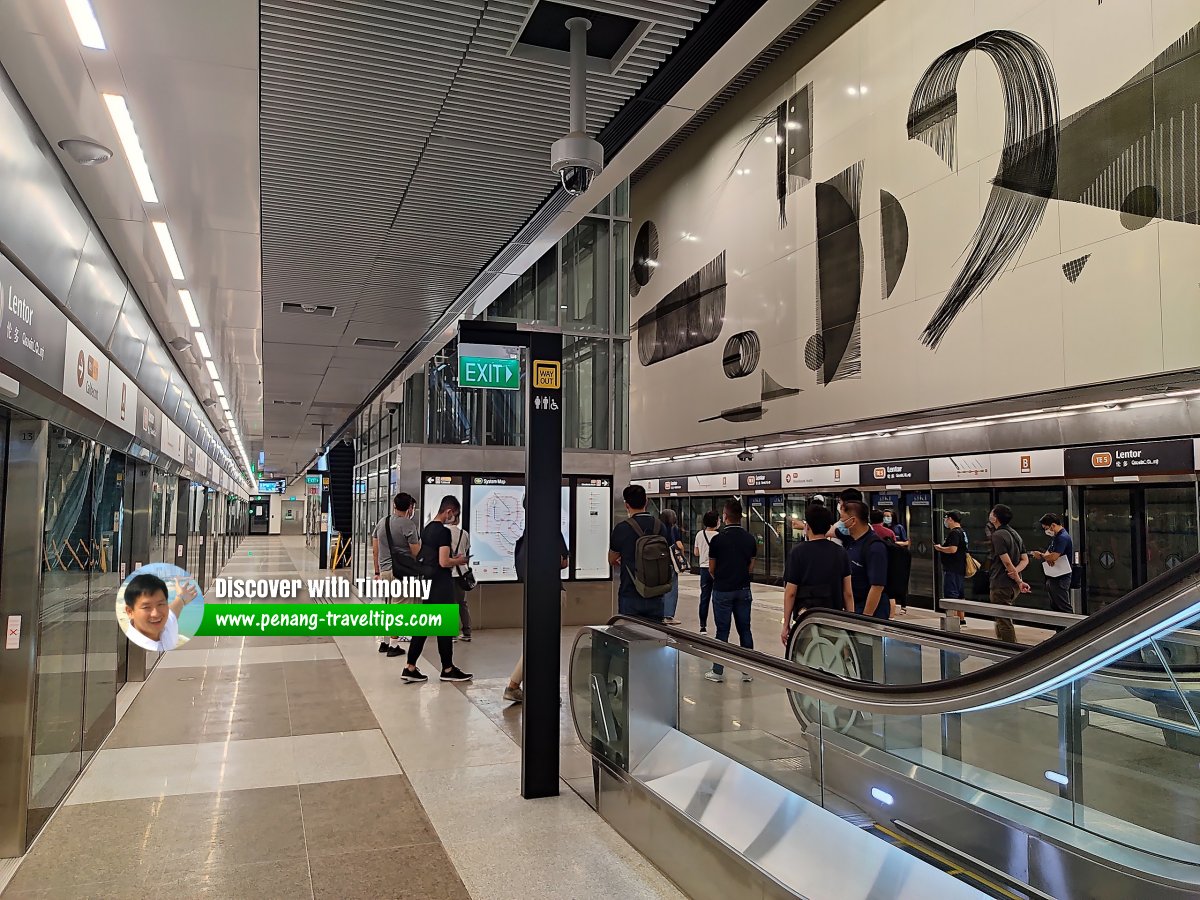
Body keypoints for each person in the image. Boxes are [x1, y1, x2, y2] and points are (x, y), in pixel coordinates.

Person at [504, 502, 570, 704]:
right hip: (551, 592)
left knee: (538, 640)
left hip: (534, 593)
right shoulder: (551, 532)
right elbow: (564, 562)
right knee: (545, 643)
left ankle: (515, 685)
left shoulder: (526, 535)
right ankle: (529, 687)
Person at [404, 495, 473, 684]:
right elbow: (444, 561)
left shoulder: (427, 530)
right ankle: (447, 669)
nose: (454, 518)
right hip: (441, 583)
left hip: (429, 581)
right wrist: (459, 560)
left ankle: (411, 666)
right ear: (449, 512)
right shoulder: (442, 532)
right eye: (455, 514)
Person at [781, 503, 852, 646]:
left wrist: (786, 624)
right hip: (834, 619)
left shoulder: (797, 553)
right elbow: (848, 593)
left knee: (806, 658)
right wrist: (851, 623)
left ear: (808, 527)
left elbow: (790, 593)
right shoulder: (840, 552)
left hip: (806, 620)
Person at [704, 499, 757, 684]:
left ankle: (718, 671)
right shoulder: (750, 538)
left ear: (725, 516)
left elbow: (711, 568)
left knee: (722, 631)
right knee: (745, 629)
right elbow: (751, 566)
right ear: (740, 516)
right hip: (743, 589)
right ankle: (747, 671)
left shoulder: (717, 540)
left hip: (722, 590)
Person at [608, 484, 669, 619]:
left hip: (630, 592)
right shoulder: (661, 527)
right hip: (656, 592)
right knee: (655, 637)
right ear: (646, 501)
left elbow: (612, 559)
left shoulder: (622, 528)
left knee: (630, 635)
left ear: (626, 505)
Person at [373, 492, 422, 656]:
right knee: (399, 609)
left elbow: (375, 550)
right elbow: (416, 552)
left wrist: (377, 571)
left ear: (394, 505)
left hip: (385, 571)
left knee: (388, 607)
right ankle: (394, 645)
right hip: (401, 573)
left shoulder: (382, 522)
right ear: (410, 507)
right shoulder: (408, 525)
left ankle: (384, 642)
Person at [988, 504, 1032, 643]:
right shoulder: (1015, 534)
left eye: (991, 513)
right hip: (1012, 584)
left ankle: (1009, 649)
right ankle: (1001, 644)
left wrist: (1015, 576)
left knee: (1003, 620)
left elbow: (1006, 562)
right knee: (1001, 616)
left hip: (1001, 583)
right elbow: (1025, 560)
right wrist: (1017, 576)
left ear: (995, 517)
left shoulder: (998, 535)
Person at [840, 500, 890, 619]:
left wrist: (865, 618)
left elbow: (877, 586)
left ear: (853, 521)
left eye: (842, 518)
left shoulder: (875, 547)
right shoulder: (851, 542)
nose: (840, 522)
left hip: (871, 612)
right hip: (855, 608)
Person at [122, 573, 197, 651]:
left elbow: (173, 611)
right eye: (146, 607)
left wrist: (181, 597)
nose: (156, 614)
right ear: (130, 612)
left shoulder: (166, 626)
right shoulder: (132, 649)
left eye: (160, 604)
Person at [1032, 513, 1074, 614]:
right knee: (1056, 606)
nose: (1046, 531)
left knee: (1063, 606)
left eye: (1046, 528)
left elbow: (1054, 556)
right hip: (1053, 575)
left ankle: (1073, 627)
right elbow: (1049, 553)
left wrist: (1041, 556)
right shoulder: (1056, 537)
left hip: (1061, 577)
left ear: (1053, 525)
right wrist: (1047, 557)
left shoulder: (1062, 537)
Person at [934, 510, 968, 621]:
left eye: (946, 518)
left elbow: (953, 549)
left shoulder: (954, 533)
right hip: (960, 567)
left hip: (952, 568)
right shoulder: (963, 532)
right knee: (960, 594)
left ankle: (952, 620)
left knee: (951, 594)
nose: (945, 521)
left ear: (950, 519)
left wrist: (940, 548)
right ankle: (961, 619)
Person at [446, 506, 472, 642]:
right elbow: (467, 549)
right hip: (462, 573)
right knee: (462, 603)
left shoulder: (444, 532)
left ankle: (452, 634)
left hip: (449, 572)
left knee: (450, 603)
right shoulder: (464, 533)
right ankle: (467, 632)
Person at [694, 510, 720, 633]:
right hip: (716, 569)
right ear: (716, 521)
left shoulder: (700, 534)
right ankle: (718, 624)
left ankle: (702, 626)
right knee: (717, 597)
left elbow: (696, 552)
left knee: (704, 597)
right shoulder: (719, 535)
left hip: (704, 569)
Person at [659, 508, 685, 625]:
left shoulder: (657, 528)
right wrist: (682, 556)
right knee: (671, 589)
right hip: (670, 562)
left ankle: (659, 613)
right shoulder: (673, 529)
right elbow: (678, 544)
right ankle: (668, 615)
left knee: (660, 588)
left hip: (659, 562)